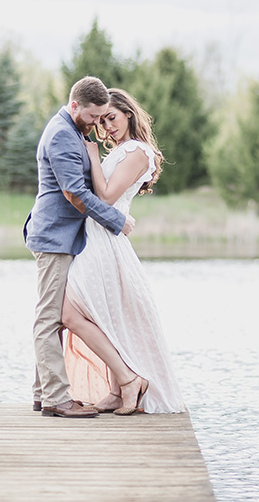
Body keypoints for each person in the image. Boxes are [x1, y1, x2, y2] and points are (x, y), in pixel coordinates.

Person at [61, 88, 186, 415]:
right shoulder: (121, 150)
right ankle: (120, 388)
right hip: (95, 237)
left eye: (112, 118)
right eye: (102, 121)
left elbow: (105, 198)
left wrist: (90, 157)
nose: (108, 127)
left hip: (105, 242)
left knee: (69, 313)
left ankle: (128, 379)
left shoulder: (137, 151)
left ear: (128, 113)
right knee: (101, 314)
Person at [24, 76, 135, 418]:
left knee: (54, 317)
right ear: (75, 105)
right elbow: (75, 194)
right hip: (54, 236)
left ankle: (44, 393)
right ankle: (57, 399)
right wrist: (118, 221)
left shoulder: (75, 131)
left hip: (65, 238)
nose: (97, 123)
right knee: (49, 318)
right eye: (93, 116)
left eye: (103, 117)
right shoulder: (61, 135)